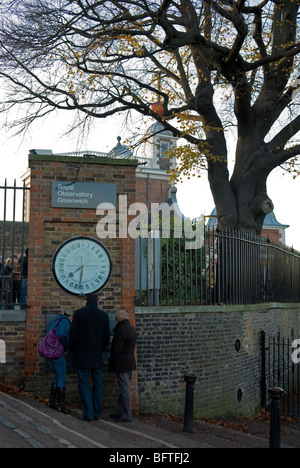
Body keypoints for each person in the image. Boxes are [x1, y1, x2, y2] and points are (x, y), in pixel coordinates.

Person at [69, 293, 110, 421]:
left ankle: (88, 412)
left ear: (87, 301)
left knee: (83, 383)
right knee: (98, 384)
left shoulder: (79, 314)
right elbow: (106, 338)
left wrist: (73, 350)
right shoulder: (103, 315)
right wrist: (101, 349)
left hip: (82, 354)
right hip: (97, 355)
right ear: (97, 301)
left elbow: (72, 335)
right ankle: (97, 412)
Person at [108, 309, 137, 423]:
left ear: (118, 318)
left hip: (121, 362)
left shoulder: (121, 331)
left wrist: (112, 361)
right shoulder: (131, 329)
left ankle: (126, 414)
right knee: (123, 387)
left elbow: (116, 350)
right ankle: (120, 411)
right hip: (129, 360)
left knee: (124, 389)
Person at [46, 312, 72, 414]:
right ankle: (61, 406)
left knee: (58, 376)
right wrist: (65, 347)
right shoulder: (65, 321)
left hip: (51, 352)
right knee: (61, 377)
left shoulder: (57, 321)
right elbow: (62, 334)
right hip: (58, 352)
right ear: (70, 316)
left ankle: (51, 402)